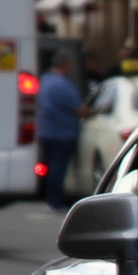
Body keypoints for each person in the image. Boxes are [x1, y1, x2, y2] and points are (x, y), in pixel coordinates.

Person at [35, 53, 84, 212]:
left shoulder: (45, 80)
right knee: (58, 168)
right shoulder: (63, 85)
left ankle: (51, 197)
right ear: (64, 64)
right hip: (62, 133)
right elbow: (79, 110)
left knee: (52, 166)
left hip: (46, 131)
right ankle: (56, 201)